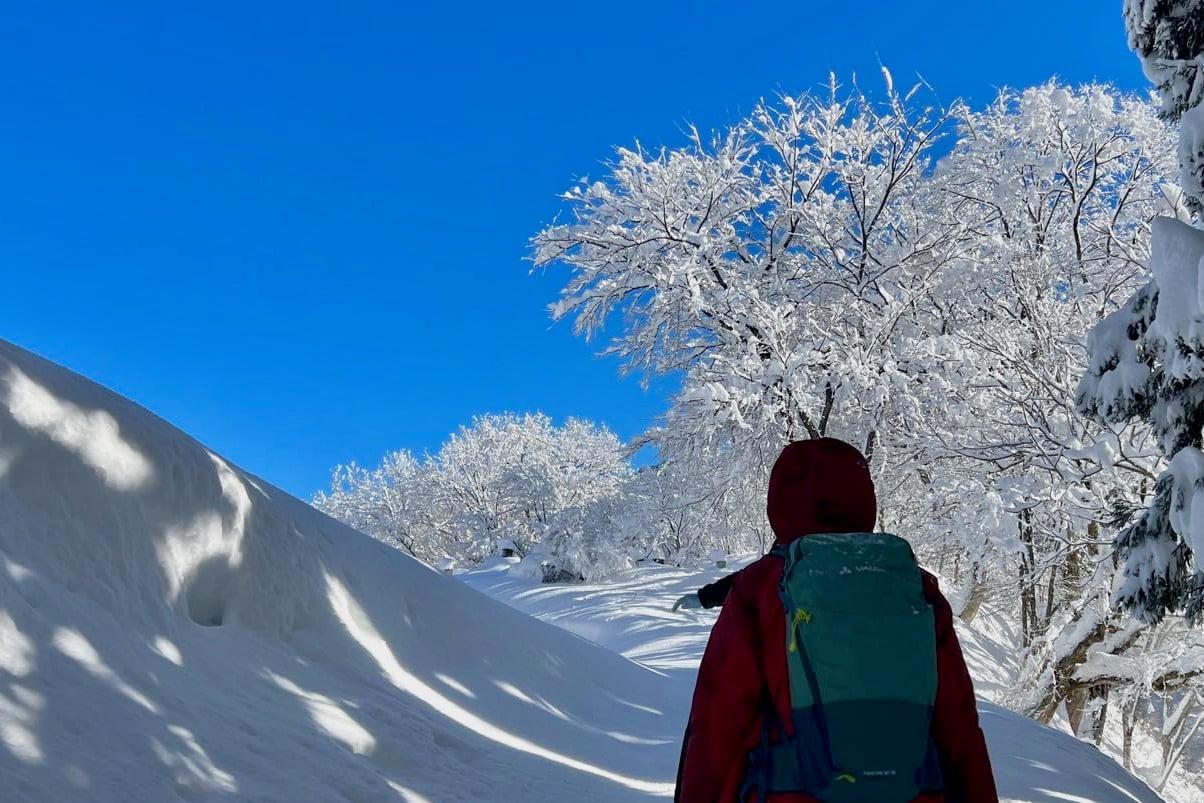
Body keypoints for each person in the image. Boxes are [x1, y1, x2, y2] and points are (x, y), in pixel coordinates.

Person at [675, 438, 997, 803]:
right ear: (864, 500)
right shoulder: (914, 585)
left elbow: (718, 721)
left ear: (779, 502)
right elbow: (959, 727)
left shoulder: (761, 586)